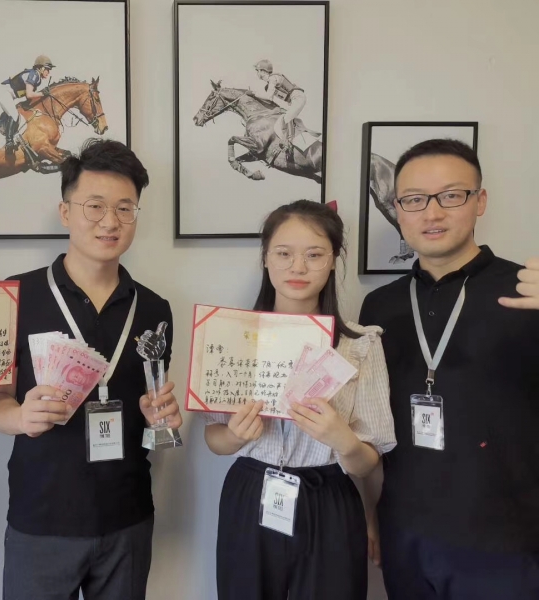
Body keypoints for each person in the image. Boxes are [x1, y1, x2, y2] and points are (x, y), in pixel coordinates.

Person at [0, 138, 183, 600]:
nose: (110, 221)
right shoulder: (16, 295)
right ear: (65, 212)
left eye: (125, 208)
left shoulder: (155, 309)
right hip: (41, 517)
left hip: (128, 516)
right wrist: (20, 417)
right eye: (95, 206)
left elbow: (154, 413)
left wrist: (163, 420)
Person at [359, 138, 539, 599]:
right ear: (397, 210)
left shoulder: (528, 291)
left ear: (480, 201)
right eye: (414, 200)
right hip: (406, 535)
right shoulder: (379, 306)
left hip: (509, 540)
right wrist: (371, 511)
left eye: (451, 195)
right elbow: (372, 427)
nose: (432, 213)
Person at [203, 200, 396, 600]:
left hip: (329, 497)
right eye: (284, 253)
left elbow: (367, 462)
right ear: (265, 258)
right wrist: (236, 436)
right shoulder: (230, 336)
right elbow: (214, 439)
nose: (298, 267)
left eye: (314, 255)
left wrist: (342, 439)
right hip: (251, 491)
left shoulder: (360, 344)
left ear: (333, 261)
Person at [248, 59, 307, 157]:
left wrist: (254, 93)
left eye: (258, 71)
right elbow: (271, 100)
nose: (257, 73)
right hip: (293, 100)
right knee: (282, 119)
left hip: (297, 97)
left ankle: (288, 144)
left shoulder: (273, 78)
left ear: (263, 71)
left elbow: (268, 97)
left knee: (287, 118)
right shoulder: (269, 84)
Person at [0, 54, 54, 152]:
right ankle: (9, 142)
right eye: (47, 69)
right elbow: (29, 95)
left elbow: (28, 98)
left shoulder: (37, 78)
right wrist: (42, 93)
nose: (48, 72)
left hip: (9, 95)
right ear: (41, 68)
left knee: (17, 114)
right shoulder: (34, 75)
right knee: (14, 115)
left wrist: (41, 95)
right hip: (5, 94)